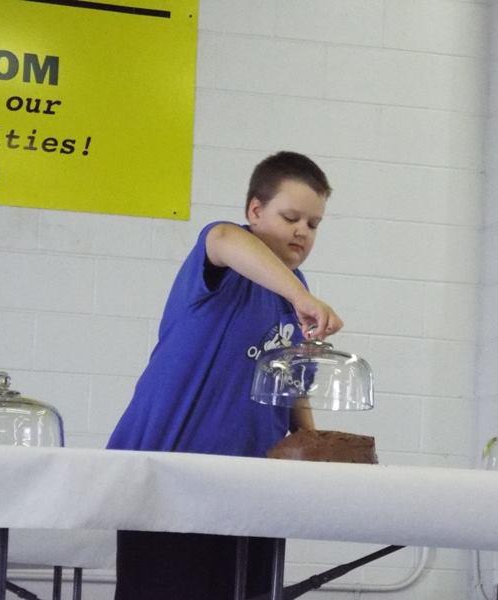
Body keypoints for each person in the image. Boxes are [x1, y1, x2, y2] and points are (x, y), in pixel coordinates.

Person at [107, 151, 343, 599]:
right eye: (291, 217)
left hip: (251, 488)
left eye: (313, 224)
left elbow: (291, 384)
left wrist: (314, 445)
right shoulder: (223, 257)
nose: (302, 231)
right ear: (255, 210)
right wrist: (300, 297)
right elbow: (223, 238)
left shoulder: (297, 292)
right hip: (172, 477)